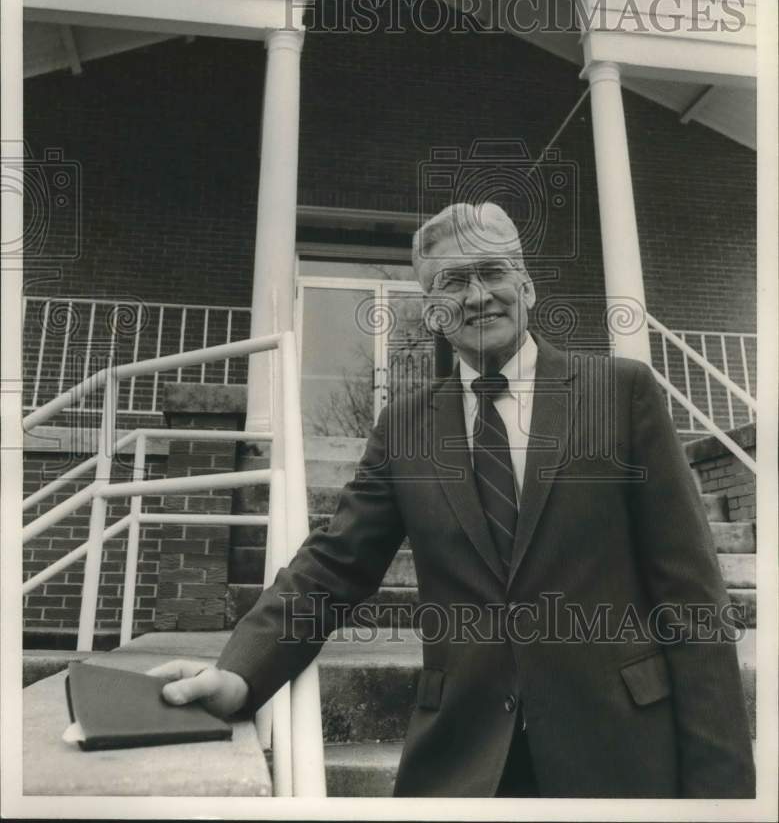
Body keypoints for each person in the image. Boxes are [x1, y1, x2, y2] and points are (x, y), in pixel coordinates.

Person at [150, 202, 755, 798]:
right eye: (452, 283)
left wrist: (722, 792)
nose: (476, 295)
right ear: (433, 311)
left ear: (528, 286)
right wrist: (238, 673)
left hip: (618, 757)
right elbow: (332, 568)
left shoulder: (620, 395)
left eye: (492, 271)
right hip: (465, 768)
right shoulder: (406, 428)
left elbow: (692, 595)